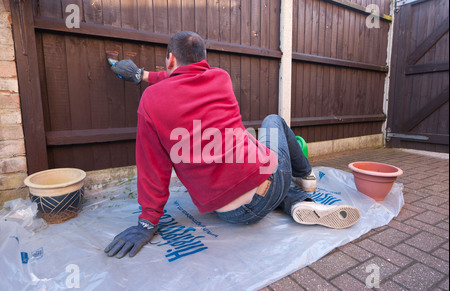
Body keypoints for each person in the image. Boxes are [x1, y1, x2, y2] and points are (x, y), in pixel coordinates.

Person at [104, 31, 361, 259]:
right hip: (269, 186)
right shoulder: (221, 78)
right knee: (273, 121)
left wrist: (147, 222)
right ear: (204, 60)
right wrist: (146, 75)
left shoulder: (150, 101)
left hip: (230, 213)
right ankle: (305, 177)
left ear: (170, 59)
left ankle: (296, 202)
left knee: (252, 152)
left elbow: (152, 167)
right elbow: (186, 75)